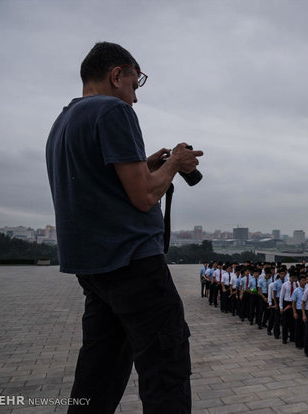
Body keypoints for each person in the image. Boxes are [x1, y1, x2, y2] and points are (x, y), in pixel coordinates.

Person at [46, 42, 202, 414]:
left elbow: (103, 185)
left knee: (98, 372)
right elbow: (145, 196)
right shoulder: (113, 110)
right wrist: (175, 162)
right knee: (167, 366)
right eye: (135, 84)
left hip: (96, 269)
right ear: (117, 75)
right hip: (133, 265)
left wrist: (145, 163)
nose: (134, 98)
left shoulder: (63, 121)